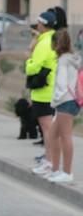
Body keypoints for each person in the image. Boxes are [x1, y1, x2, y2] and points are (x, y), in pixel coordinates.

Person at [44, 29, 80, 183]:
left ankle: (67, 172)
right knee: (52, 135)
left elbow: (61, 84)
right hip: (70, 101)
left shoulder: (64, 60)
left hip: (65, 101)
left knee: (65, 136)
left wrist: (56, 100)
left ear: (56, 44)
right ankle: (56, 169)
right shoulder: (71, 58)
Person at [28, 11, 60, 164]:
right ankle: (49, 160)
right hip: (51, 89)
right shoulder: (53, 39)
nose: (37, 25)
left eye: (39, 22)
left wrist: (29, 59)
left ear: (43, 24)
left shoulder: (44, 43)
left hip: (44, 92)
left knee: (47, 129)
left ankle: (50, 161)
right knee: (48, 128)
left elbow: (33, 68)